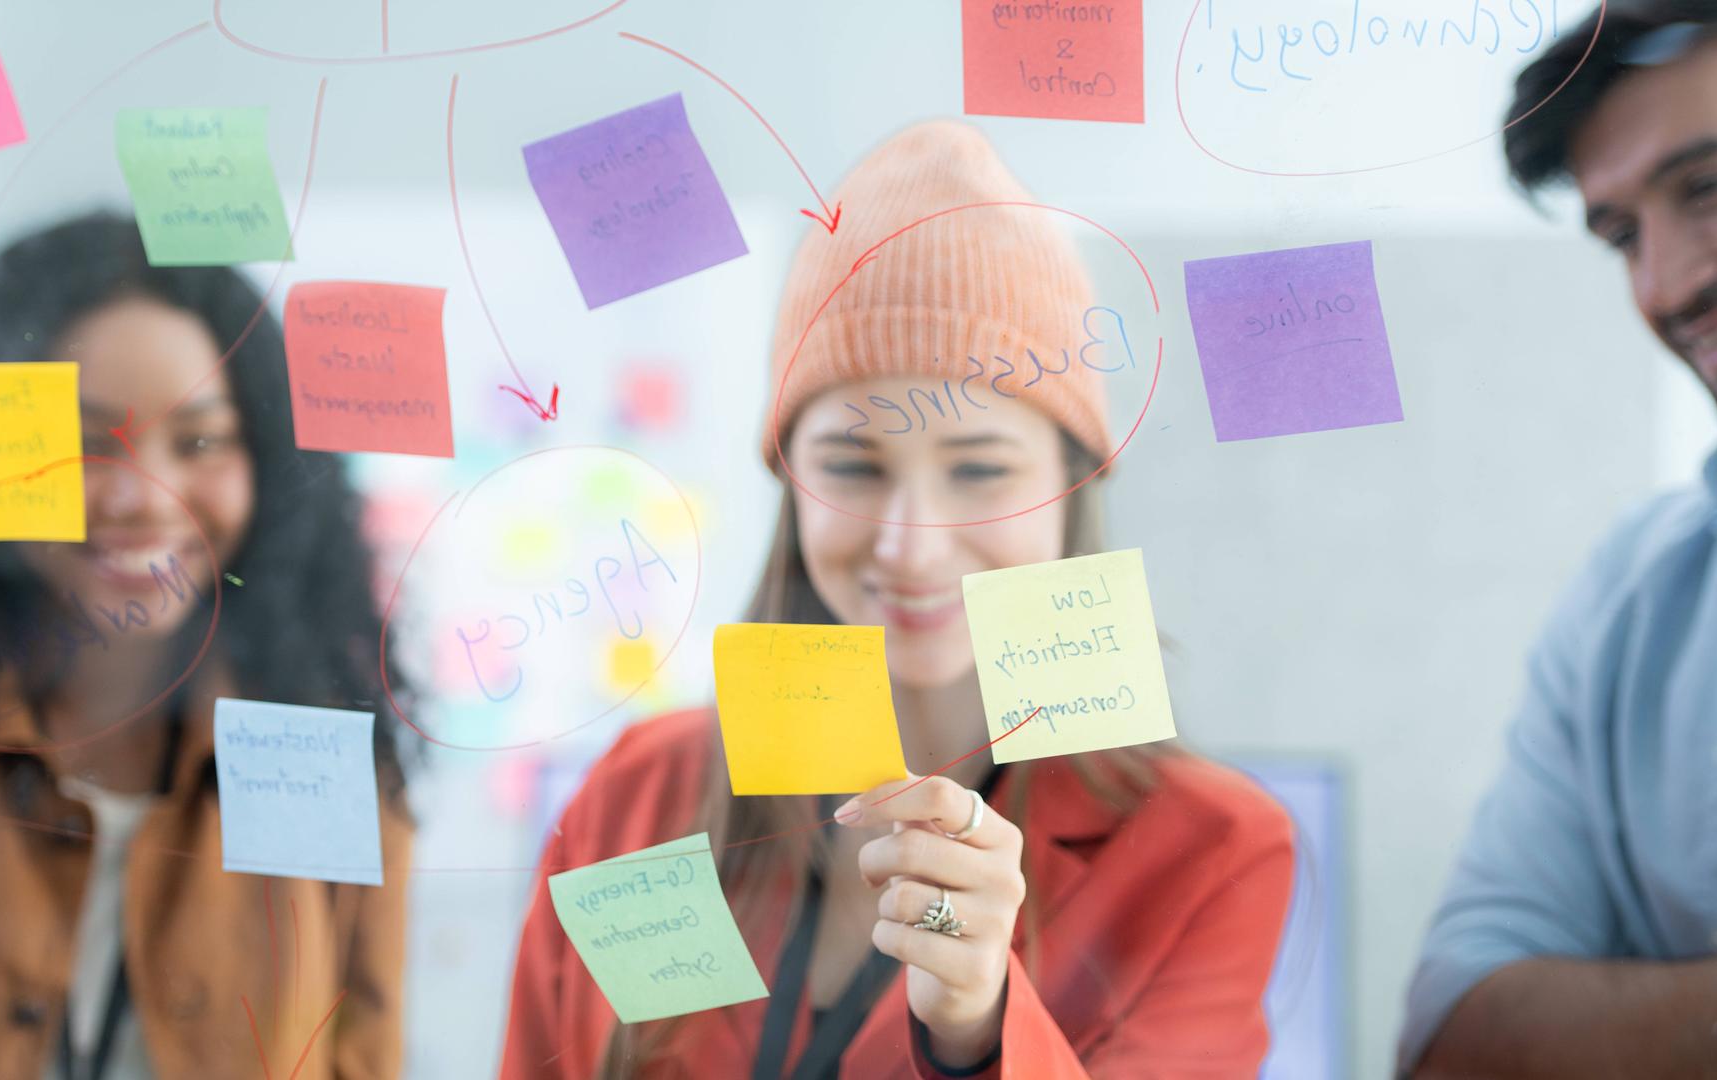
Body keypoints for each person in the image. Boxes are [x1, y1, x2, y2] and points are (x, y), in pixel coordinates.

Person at [499, 122, 1295, 1079]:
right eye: (853, 466)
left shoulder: (1211, 850)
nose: (910, 543)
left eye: (980, 470)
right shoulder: (638, 797)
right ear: (790, 481)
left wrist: (976, 1027)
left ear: (1074, 484)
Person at [0, 212, 414, 1078]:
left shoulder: (325, 761)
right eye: (85, 443)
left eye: (199, 440)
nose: (140, 498)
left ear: (269, 468)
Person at [1399, 5, 1717, 1077]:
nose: (1668, 286)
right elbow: (1458, 1040)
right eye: (1624, 235)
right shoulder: (1635, 597)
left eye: (1708, 188)